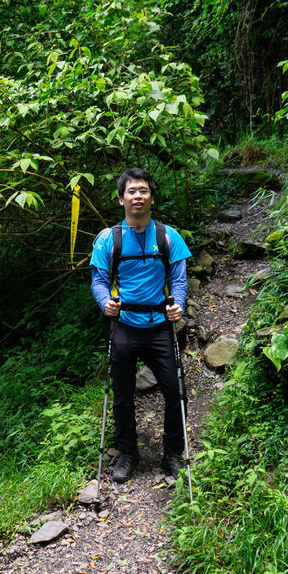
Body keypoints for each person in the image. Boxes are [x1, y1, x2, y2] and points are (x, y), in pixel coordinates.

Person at [90, 168, 192, 481]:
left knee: (175, 391)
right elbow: (98, 280)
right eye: (132, 191)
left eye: (143, 191)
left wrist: (178, 304)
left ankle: (172, 454)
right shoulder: (108, 239)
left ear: (151, 197)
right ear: (121, 199)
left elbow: (178, 278)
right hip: (125, 324)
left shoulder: (168, 236)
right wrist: (104, 301)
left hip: (161, 324)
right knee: (121, 393)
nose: (138, 196)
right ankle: (128, 453)